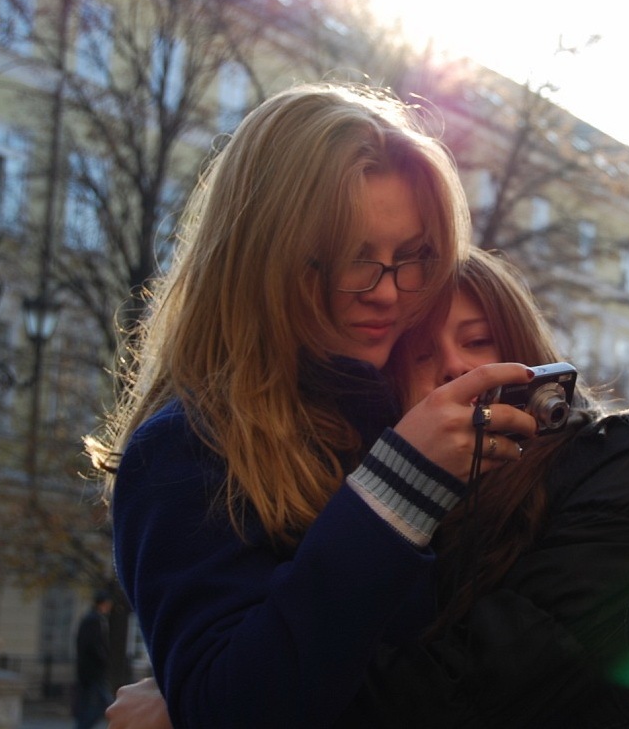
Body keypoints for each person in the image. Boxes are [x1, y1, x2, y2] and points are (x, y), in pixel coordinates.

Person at [88, 82, 537, 729]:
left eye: (411, 256)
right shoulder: (186, 448)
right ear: (262, 255)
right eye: (352, 258)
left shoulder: (410, 411)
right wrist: (397, 490)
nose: (387, 292)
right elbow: (234, 705)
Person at [104, 248, 629, 728]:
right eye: (420, 356)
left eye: (478, 340)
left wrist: (188, 712)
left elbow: (470, 690)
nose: (454, 366)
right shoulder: (381, 510)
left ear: (528, 355)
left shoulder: (613, 463)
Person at [74, 589, 114, 729]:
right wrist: (103, 660)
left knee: (87, 704)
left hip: (89, 671)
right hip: (93, 671)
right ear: (103, 604)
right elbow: (94, 645)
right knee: (105, 704)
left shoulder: (91, 619)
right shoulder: (94, 620)